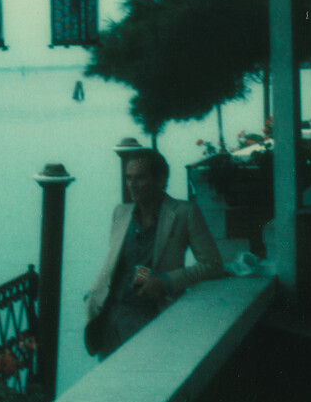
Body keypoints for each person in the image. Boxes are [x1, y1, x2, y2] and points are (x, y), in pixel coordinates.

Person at [84, 148, 223, 359]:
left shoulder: (184, 213)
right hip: (109, 315)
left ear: (160, 179)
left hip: (150, 314)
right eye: (129, 178)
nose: (132, 184)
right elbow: (132, 262)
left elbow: (212, 264)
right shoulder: (121, 214)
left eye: (140, 178)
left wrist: (166, 281)